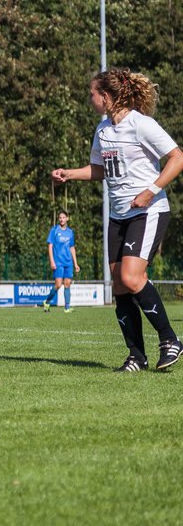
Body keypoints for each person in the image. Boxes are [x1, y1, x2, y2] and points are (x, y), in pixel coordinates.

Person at [52, 68, 183, 372]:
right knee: (120, 288)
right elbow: (100, 170)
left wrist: (151, 191)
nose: (90, 99)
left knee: (132, 277)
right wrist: (69, 174)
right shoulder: (102, 131)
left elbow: (177, 158)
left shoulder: (141, 125)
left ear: (106, 97)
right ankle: (137, 356)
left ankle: (169, 340)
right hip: (119, 215)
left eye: (92, 94)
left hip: (148, 211)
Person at [41, 211, 79, 313]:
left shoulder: (70, 232)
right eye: (60, 218)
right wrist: (52, 261)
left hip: (68, 262)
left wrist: (75, 263)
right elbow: (50, 246)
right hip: (58, 262)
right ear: (59, 219)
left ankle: (67, 308)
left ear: (67, 218)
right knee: (58, 285)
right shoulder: (54, 230)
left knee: (67, 284)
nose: (62, 219)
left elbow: (72, 247)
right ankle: (47, 301)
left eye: (63, 217)